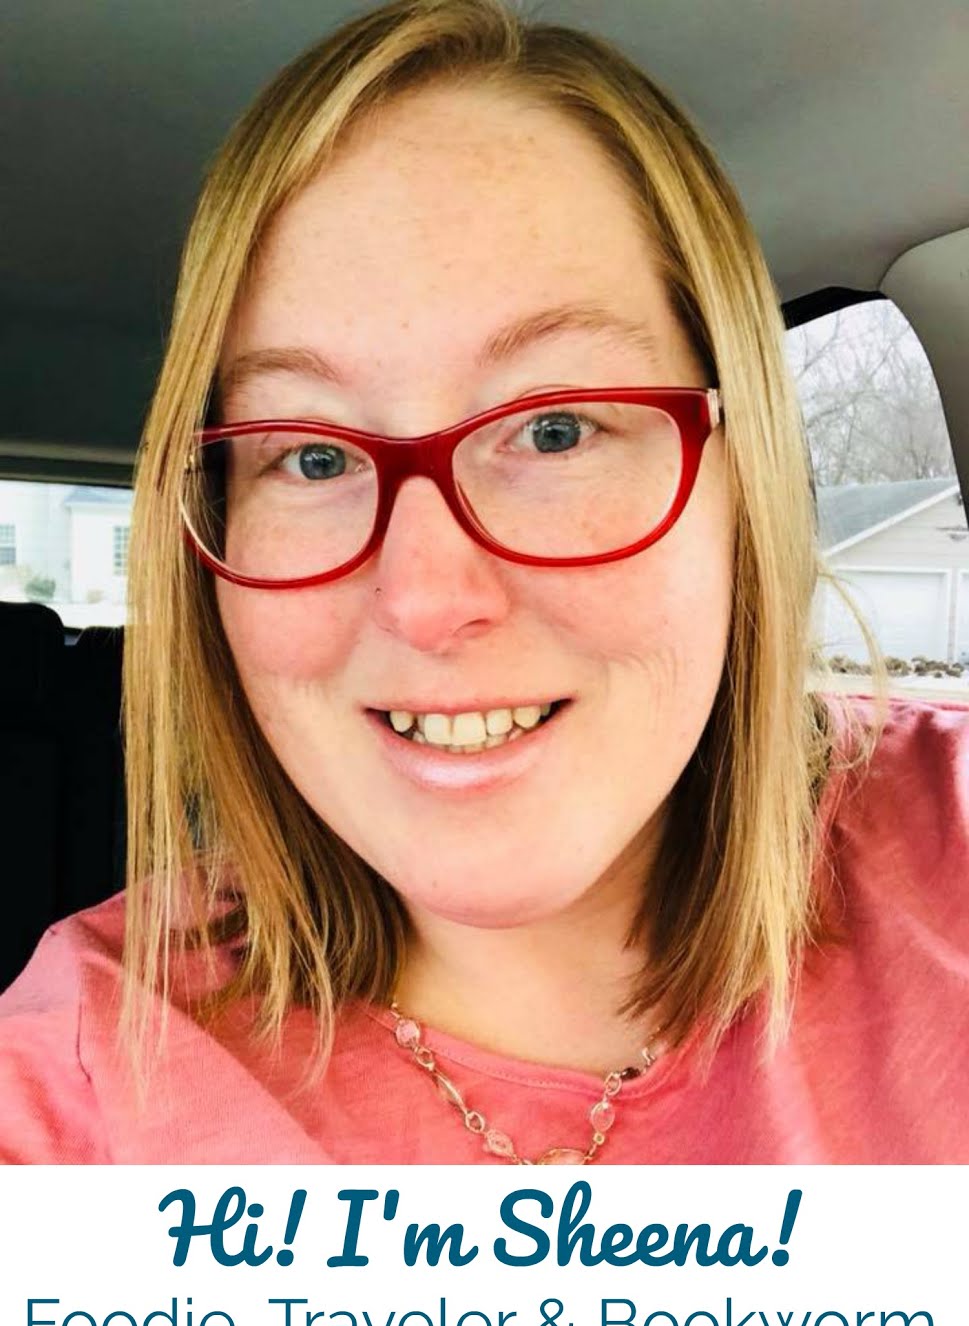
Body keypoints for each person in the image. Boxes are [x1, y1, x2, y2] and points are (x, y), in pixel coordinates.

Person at [1, 0, 967, 1165]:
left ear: (743, 475)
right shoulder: (87, 1072)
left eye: (556, 429)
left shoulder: (949, 848)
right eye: (312, 457)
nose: (426, 600)